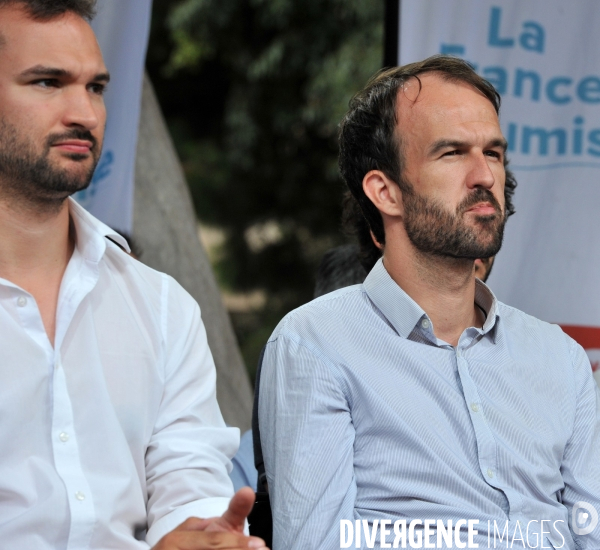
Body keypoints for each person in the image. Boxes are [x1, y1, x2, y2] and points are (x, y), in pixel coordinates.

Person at [259, 56, 600, 549]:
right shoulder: (315, 345)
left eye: (495, 153)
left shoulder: (559, 356)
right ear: (385, 191)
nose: (485, 175)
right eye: (453, 153)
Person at [0, 1, 266, 548]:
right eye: (48, 82)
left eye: (95, 87)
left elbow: (190, 488)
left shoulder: (162, 306)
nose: (86, 114)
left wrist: (200, 537)